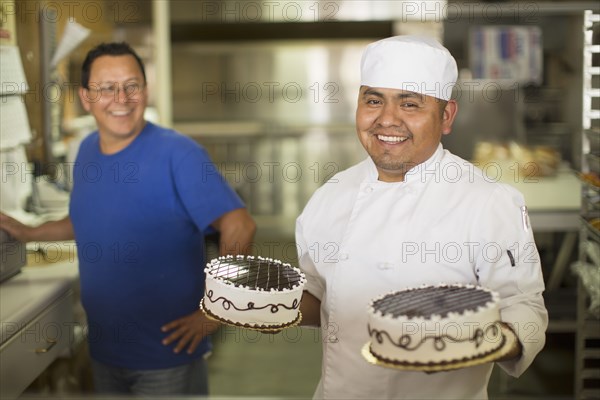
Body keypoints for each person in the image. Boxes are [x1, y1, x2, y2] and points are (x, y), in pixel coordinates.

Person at [296, 36, 548, 399]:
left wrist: (476, 339)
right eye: (373, 100)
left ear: (446, 117)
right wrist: (270, 308)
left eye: (410, 104)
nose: (386, 119)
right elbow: (320, 293)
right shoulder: (330, 195)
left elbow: (524, 308)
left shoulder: (489, 201)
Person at [0, 42, 256, 396]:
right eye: (107, 87)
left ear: (145, 91)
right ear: (86, 97)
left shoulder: (178, 154)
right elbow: (87, 220)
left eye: (131, 85)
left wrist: (217, 309)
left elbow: (239, 224)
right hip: (106, 350)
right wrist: (29, 233)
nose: (121, 97)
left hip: (168, 356)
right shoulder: (87, 150)